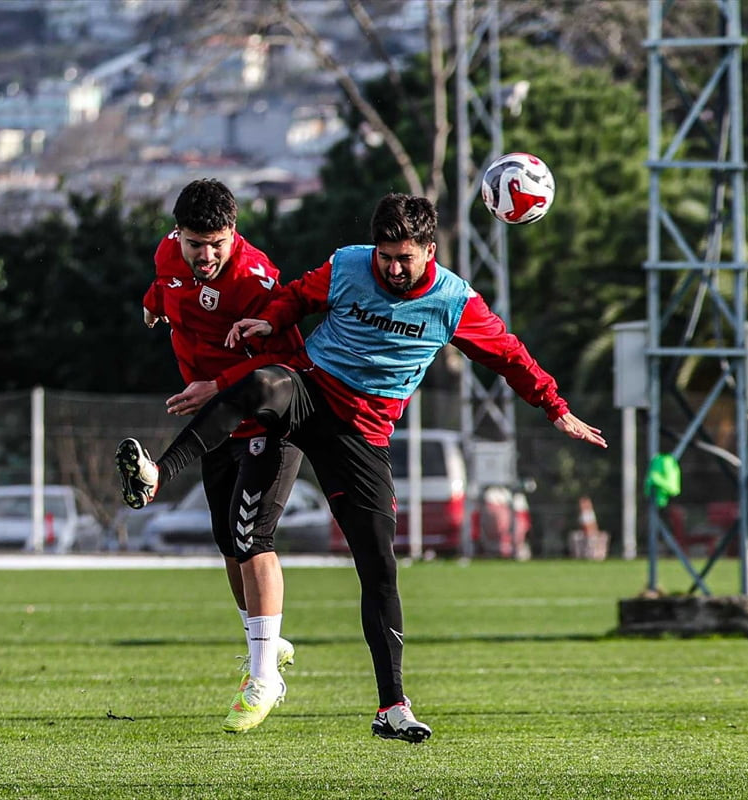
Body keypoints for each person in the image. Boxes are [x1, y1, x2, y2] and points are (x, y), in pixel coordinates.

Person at [116, 192, 607, 742]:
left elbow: (510, 356)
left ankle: (392, 707)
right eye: (385, 256)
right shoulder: (350, 263)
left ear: (429, 249)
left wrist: (556, 408)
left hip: (362, 436)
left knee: (378, 568)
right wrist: (266, 321)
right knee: (260, 387)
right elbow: (299, 297)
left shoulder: (455, 303)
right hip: (311, 392)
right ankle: (159, 470)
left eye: (405, 258)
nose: (392, 268)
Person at [127, 178, 307, 733]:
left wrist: (219, 384)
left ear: (234, 234)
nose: (204, 256)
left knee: (253, 538)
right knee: (230, 545)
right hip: (218, 426)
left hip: (268, 420)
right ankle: (266, 642)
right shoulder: (167, 254)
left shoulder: (256, 278)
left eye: (216, 244)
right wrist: (152, 306)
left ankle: (262, 678)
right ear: (177, 235)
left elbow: (288, 361)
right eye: (194, 243)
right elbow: (164, 287)